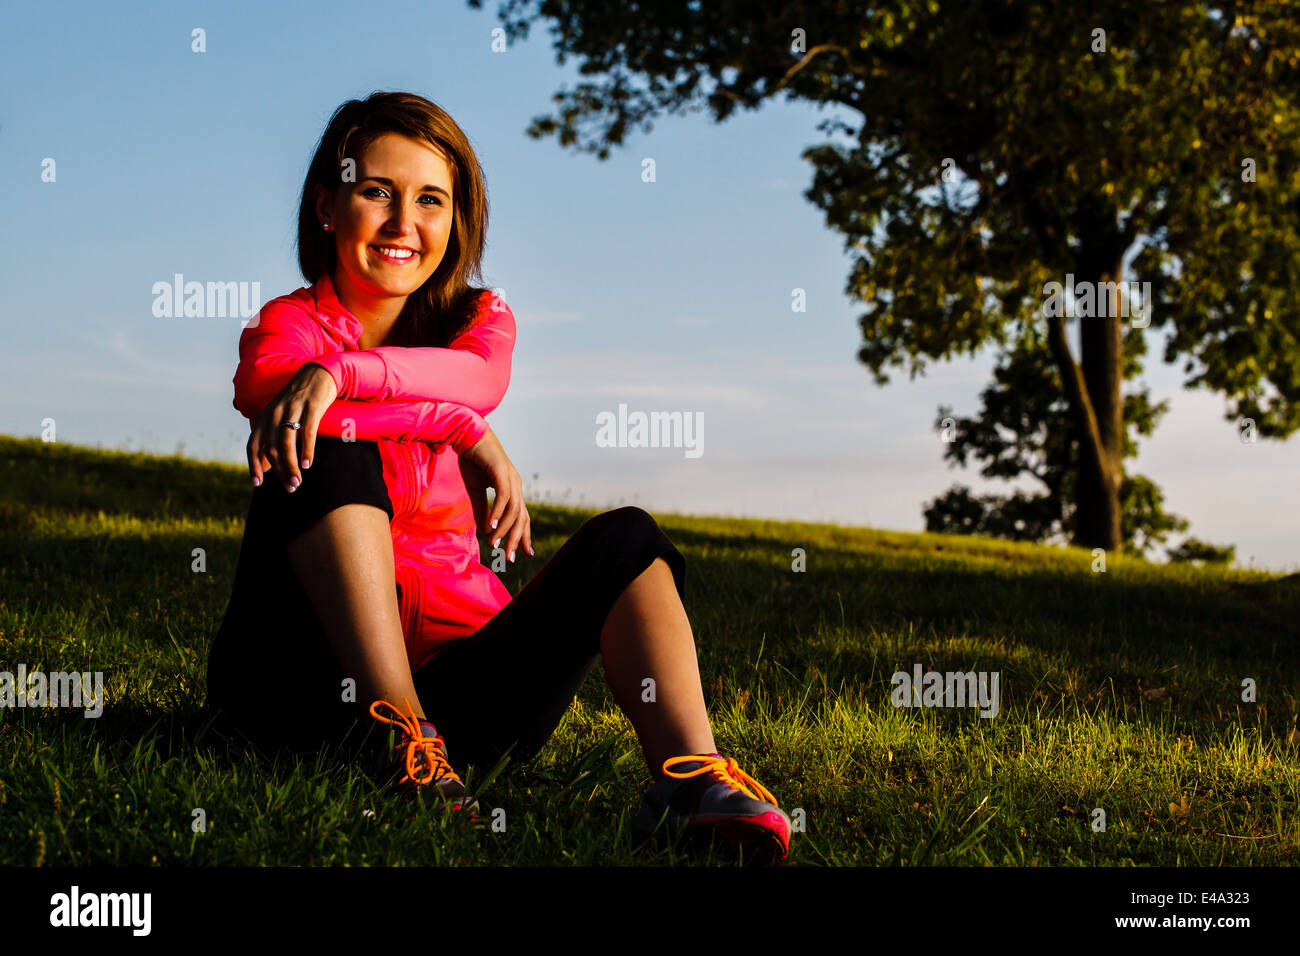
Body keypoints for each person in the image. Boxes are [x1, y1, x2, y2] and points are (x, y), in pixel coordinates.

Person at [205, 90, 792, 861]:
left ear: (457, 221)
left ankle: (692, 781)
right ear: (326, 204)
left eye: (430, 200)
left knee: (629, 538)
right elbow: (268, 394)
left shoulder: (480, 317)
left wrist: (357, 379)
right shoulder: (289, 325)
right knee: (328, 445)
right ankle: (400, 740)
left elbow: (477, 382)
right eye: (376, 191)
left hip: (463, 701)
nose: (402, 224)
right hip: (296, 691)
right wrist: (456, 428)